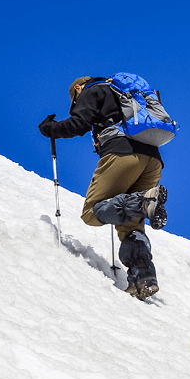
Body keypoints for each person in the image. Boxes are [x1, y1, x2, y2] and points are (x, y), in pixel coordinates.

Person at [38, 76, 168, 300]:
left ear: (77, 89)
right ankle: (143, 280)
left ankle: (142, 201)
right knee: (131, 223)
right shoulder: (128, 95)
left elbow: (78, 124)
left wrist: (51, 129)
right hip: (153, 160)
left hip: (123, 155)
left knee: (92, 212)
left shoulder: (93, 91)